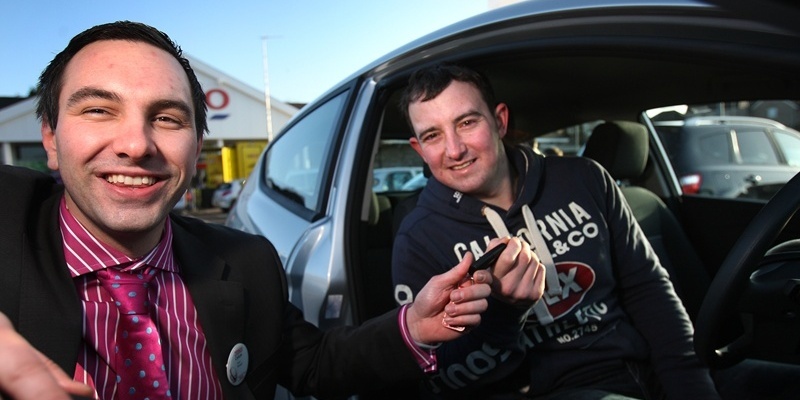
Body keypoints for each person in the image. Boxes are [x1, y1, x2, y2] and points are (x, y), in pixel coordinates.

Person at [0, 22, 495, 400]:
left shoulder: (249, 260)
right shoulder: (9, 219)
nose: (135, 144)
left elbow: (312, 363)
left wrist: (414, 327)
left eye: (167, 118)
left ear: (196, 150)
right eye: (98, 110)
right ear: (50, 138)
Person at [391, 63, 720, 399]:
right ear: (419, 149)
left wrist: (693, 386)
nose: (455, 149)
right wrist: (504, 314)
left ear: (499, 121)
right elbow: (444, 377)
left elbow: (649, 291)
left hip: (647, 370)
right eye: (433, 135)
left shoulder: (585, 178)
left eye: (466, 122)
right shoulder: (417, 239)